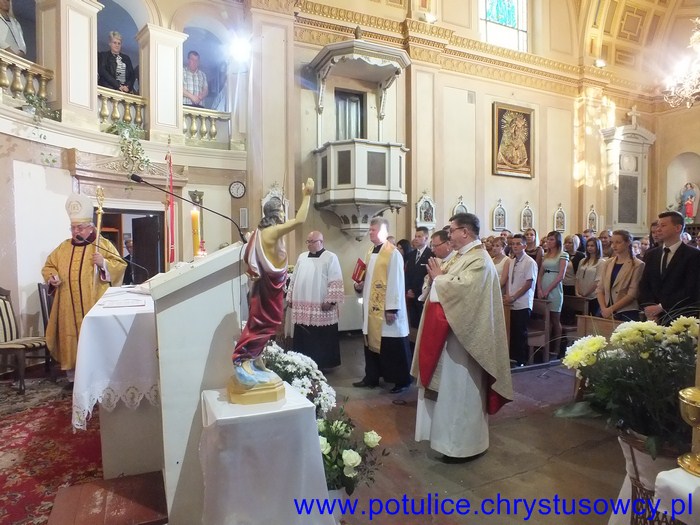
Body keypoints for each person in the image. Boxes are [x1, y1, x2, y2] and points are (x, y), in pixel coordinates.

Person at [412, 212, 513, 462]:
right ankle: (447, 443)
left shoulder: (479, 260)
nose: (449, 235)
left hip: (466, 343)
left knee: (461, 392)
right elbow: (442, 281)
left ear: (465, 232)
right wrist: (436, 279)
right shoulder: (462, 257)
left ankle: (463, 447)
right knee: (450, 392)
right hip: (452, 339)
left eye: (452, 230)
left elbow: (463, 290)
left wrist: (439, 279)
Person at [231, 179, 314, 390]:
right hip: (269, 288)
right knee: (263, 323)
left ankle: (256, 357)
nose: (284, 216)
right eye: (282, 211)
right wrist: (307, 195)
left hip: (269, 285)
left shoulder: (260, 232)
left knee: (267, 323)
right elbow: (301, 220)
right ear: (276, 213)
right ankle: (243, 359)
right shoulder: (273, 231)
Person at [40, 194, 126, 385]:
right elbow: (49, 266)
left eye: (79, 227)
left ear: (90, 228)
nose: (75, 231)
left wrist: (103, 263)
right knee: (70, 340)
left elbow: (120, 265)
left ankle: (99, 377)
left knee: (95, 340)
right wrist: (52, 277)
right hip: (67, 307)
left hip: (93, 304)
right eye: (73, 227)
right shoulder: (62, 248)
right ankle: (74, 380)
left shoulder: (102, 245)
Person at [352, 217, 412, 394]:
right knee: (370, 343)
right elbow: (368, 278)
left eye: (373, 230)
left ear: (383, 231)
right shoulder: (370, 251)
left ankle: (402, 380)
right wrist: (359, 286)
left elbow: (396, 282)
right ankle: (371, 377)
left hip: (387, 311)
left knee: (393, 346)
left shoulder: (393, 253)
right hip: (371, 308)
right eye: (370, 229)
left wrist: (391, 308)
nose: (370, 232)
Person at [286, 231, 344, 370]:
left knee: (320, 337)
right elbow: (294, 278)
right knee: (303, 336)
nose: (309, 244)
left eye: (312, 241)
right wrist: (290, 296)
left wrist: (330, 301)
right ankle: (302, 363)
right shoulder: (302, 257)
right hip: (302, 306)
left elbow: (335, 280)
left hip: (321, 306)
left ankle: (322, 364)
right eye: (308, 241)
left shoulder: (330, 257)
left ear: (321, 242)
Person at [638, 211, 700, 324]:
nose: (658, 229)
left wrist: (661, 307)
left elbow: (691, 289)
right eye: (658, 226)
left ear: (677, 228)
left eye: (663, 225)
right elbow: (645, 284)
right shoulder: (651, 254)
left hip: (680, 316)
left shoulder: (694, 255)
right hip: (653, 318)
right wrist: (649, 308)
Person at [503, 234, 537, 366]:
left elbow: (528, 283)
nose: (515, 246)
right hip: (511, 302)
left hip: (523, 302)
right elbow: (509, 280)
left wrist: (514, 297)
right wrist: (508, 296)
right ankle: (511, 357)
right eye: (513, 244)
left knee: (520, 332)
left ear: (524, 246)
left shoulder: (529, 262)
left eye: (518, 244)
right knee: (512, 331)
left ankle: (521, 360)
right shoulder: (512, 261)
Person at [595, 230, 644, 322]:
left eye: (618, 242)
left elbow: (632, 294)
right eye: (612, 242)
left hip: (626, 310)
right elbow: (600, 289)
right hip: (605, 308)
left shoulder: (637, 264)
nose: (614, 246)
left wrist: (611, 309)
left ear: (628, 243)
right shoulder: (608, 263)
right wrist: (604, 308)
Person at [537, 231, 568, 360]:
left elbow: (561, 275)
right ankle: (546, 347)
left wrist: (548, 290)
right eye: (548, 239)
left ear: (557, 241)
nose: (548, 242)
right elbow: (540, 273)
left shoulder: (563, 254)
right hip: (544, 284)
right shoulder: (546, 255)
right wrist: (539, 289)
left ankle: (556, 349)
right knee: (546, 319)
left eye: (551, 240)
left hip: (554, 289)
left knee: (555, 319)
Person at [404, 226, 433, 329]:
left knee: (424, 324)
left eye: (419, 236)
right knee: (413, 324)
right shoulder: (411, 255)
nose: (416, 239)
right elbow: (407, 274)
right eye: (415, 236)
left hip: (423, 295)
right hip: (412, 295)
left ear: (426, 238)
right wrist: (408, 289)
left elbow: (429, 275)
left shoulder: (431, 254)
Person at [575, 236, 604, 316]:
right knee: (579, 318)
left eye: (592, 246)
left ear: (597, 247)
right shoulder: (583, 261)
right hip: (580, 295)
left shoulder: (601, 262)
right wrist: (577, 292)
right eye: (588, 245)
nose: (589, 248)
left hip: (593, 296)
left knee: (590, 318)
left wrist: (586, 293)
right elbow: (577, 277)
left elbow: (598, 281)